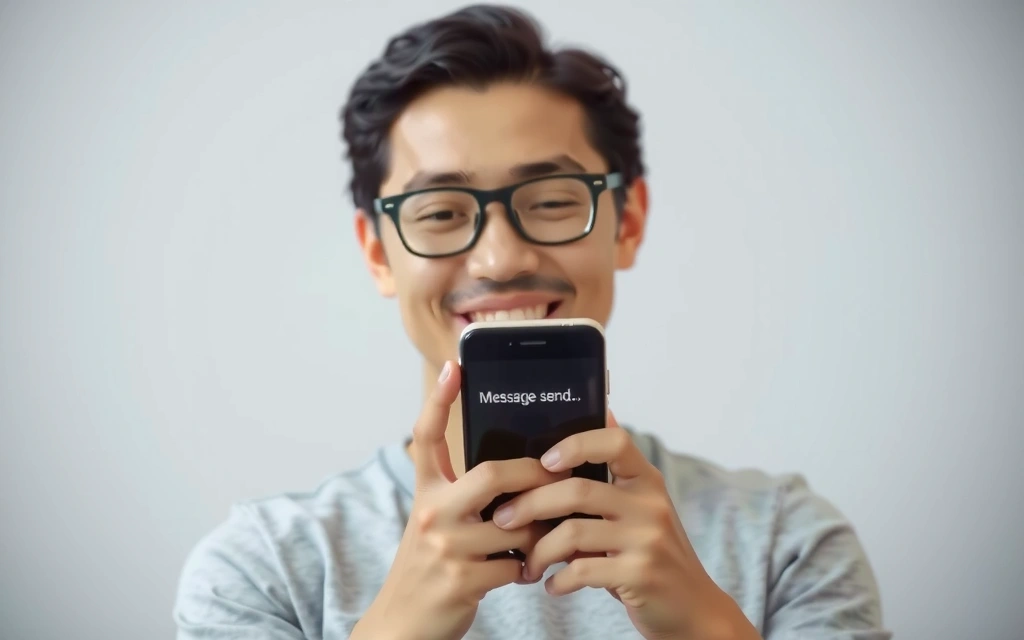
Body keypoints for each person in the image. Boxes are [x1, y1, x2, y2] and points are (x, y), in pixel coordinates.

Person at [173, 5, 891, 639]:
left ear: (628, 221)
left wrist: (705, 627)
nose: (501, 258)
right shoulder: (262, 569)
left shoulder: (787, 543)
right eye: (440, 212)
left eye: (551, 200)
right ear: (378, 253)